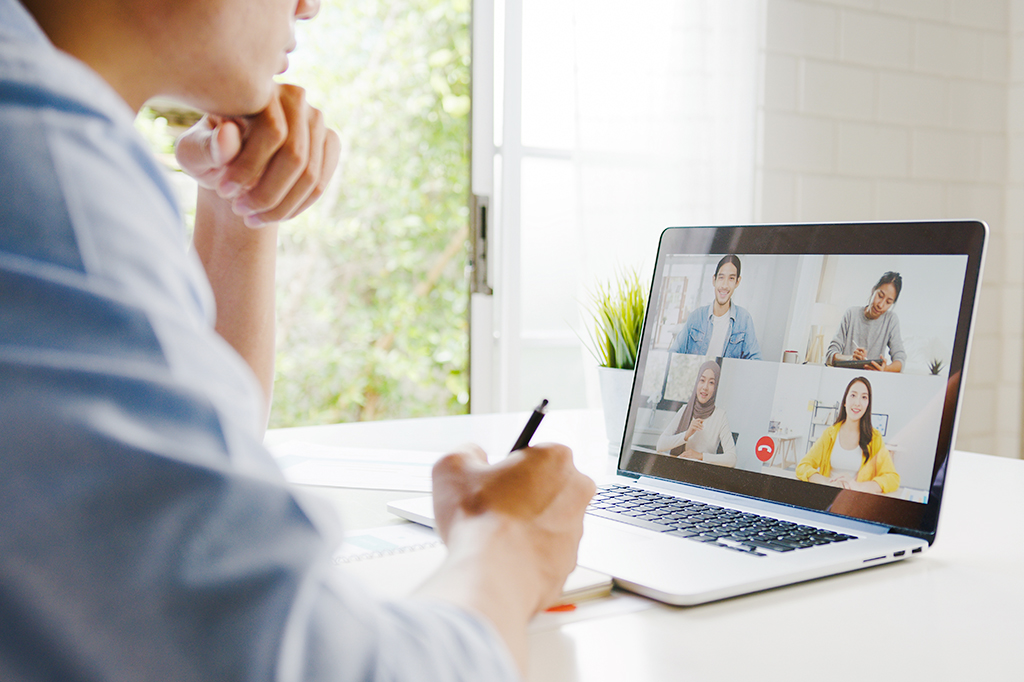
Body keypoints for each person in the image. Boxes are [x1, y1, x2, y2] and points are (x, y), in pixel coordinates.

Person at [0, 1, 594, 680]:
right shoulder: (39, 170)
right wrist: (508, 546)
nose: (311, 4)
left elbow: (190, 473)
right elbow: (295, 664)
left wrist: (237, 211)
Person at [795, 377, 900, 494]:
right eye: (853, 395)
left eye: (864, 397)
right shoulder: (830, 434)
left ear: (868, 404)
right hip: (828, 496)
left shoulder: (874, 437)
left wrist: (858, 486)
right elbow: (803, 466)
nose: (857, 403)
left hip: (856, 500)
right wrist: (827, 482)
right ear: (845, 401)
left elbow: (892, 478)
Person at [668, 254, 761, 360]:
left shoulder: (744, 319)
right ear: (714, 280)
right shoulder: (696, 316)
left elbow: (756, 359)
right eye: (721, 277)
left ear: (737, 282)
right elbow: (673, 352)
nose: (724, 285)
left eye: (731, 278)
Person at [656, 360, 737, 467]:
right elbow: (660, 445)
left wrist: (700, 456)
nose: (705, 387)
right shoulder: (685, 410)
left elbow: (732, 459)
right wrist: (687, 434)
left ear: (716, 387)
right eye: (702, 380)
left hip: (702, 473)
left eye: (711, 382)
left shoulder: (720, 416)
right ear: (697, 383)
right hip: (678, 469)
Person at [826, 271, 906, 372]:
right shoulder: (851, 314)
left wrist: (885, 369)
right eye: (880, 296)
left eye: (888, 302)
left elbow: (900, 360)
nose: (881, 305)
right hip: (845, 375)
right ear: (873, 291)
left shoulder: (891, 320)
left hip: (872, 380)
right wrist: (851, 359)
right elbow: (830, 354)